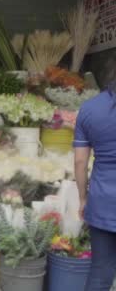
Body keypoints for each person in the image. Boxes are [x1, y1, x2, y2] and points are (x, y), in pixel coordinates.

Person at [74, 84, 116, 291]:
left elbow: (80, 162)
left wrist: (83, 198)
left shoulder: (90, 108)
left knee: (100, 273)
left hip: (102, 201)